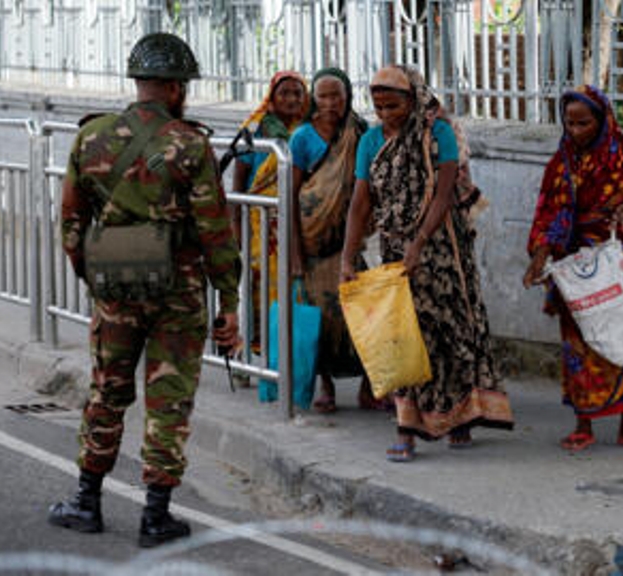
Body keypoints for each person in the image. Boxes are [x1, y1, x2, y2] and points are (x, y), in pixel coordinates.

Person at [49, 32, 242, 548]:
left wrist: (99, 276)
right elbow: (215, 233)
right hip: (177, 292)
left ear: (139, 83)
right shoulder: (191, 144)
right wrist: (230, 303)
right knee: (169, 399)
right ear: (176, 88)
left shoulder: (90, 139)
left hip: (116, 285)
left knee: (107, 390)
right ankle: (156, 517)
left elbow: (70, 223)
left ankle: (86, 501)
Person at [340, 65, 514, 462]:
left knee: (449, 328)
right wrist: (348, 258)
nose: (386, 114)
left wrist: (420, 242)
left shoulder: (438, 133)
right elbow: (360, 202)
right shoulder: (370, 141)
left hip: (443, 248)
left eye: (394, 105)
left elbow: (444, 190)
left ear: (414, 97)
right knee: (402, 336)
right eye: (379, 107)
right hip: (395, 250)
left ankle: (459, 417)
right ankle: (407, 428)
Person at [522, 85, 623, 452]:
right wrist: (538, 260)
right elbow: (551, 214)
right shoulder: (562, 162)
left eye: (584, 123)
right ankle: (583, 423)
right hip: (579, 262)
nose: (576, 130)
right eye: (569, 123)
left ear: (603, 118)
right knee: (581, 341)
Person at [287, 67, 382, 413]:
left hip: (350, 244)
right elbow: (292, 198)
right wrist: (295, 252)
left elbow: (370, 185)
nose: (330, 103)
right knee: (322, 321)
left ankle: (368, 388)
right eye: (323, 96)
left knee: (364, 316)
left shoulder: (359, 133)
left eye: (336, 96)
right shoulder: (302, 139)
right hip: (314, 247)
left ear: (347, 98)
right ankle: (324, 386)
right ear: (314, 99)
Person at [231, 70, 308, 340]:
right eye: (284, 93)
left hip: (295, 224)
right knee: (257, 287)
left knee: (291, 287)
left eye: (297, 93)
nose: (291, 99)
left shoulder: (308, 131)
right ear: (272, 98)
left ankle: (283, 348)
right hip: (260, 225)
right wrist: (237, 228)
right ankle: (251, 351)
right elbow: (238, 183)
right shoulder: (254, 129)